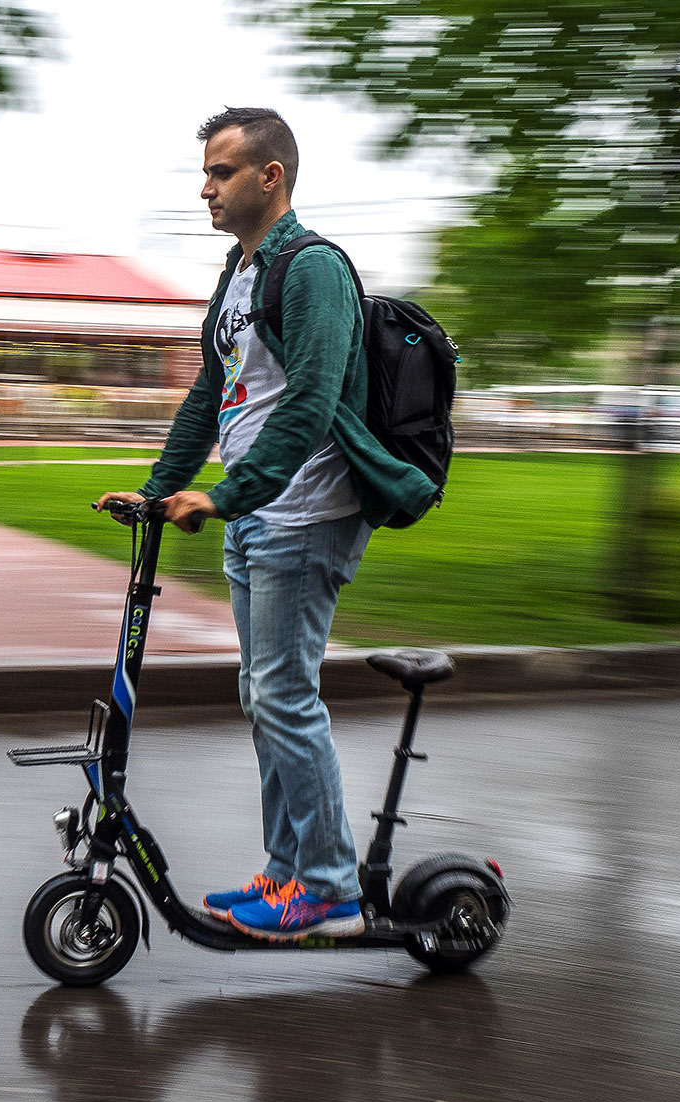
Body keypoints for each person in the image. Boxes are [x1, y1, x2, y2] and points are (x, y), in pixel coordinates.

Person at [96, 107, 438, 941]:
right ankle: (288, 875)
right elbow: (211, 395)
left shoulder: (313, 268)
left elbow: (316, 400)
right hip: (259, 512)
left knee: (284, 696)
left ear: (269, 176)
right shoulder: (239, 273)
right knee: (267, 696)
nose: (205, 188)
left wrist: (227, 494)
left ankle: (327, 887)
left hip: (308, 509)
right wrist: (159, 489)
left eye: (220, 172)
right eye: (206, 173)